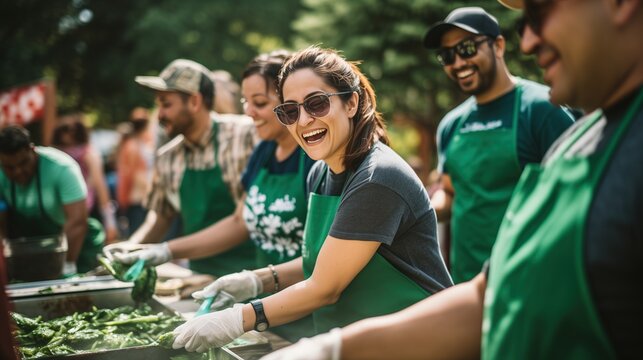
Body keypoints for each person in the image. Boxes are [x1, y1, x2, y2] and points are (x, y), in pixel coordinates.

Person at [262, 0, 643, 359]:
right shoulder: (461, 126)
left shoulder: (543, 110)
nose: (529, 40)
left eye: (541, 11)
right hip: (475, 277)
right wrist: (334, 349)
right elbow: (488, 290)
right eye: (447, 55)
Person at [169, 46, 452, 353]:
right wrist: (255, 280)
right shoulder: (319, 173)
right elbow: (321, 264)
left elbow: (324, 288)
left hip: (413, 345)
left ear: (351, 103)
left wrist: (237, 318)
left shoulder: (377, 178)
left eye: (316, 104)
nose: (303, 120)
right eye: (290, 110)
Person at [105, 50, 317, 341]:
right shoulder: (264, 151)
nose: (249, 113)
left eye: (259, 103)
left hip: (302, 308)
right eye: (246, 102)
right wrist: (152, 250)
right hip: (255, 303)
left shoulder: (303, 154)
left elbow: (321, 262)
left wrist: (254, 279)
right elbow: (239, 220)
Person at [423, 6, 574, 283]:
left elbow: (574, 198)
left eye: (467, 48)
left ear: (499, 45)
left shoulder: (541, 108)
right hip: (466, 282)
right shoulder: (451, 124)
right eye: (447, 56)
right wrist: (416, 211)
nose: (457, 63)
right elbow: (451, 194)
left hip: (531, 279)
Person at [111, 59, 258, 276]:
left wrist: (166, 250)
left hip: (256, 274)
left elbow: (247, 218)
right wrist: (130, 249)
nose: (159, 115)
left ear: (195, 102)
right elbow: (160, 218)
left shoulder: (245, 135)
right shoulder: (167, 158)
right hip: (201, 279)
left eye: (166, 104)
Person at [0, 126, 94, 275]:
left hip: (74, 243)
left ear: (32, 150)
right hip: (23, 250)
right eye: (9, 168)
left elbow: (77, 222)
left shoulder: (62, 168)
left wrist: (66, 266)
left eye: (23, 163)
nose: (18, 171)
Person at [52, 113, 118, 245]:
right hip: (69, 205)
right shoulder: (80, 152)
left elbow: (99, 183)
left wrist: (109, 220)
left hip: (83, 204)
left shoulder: (86, 153)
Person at [115, 107, 155, 236]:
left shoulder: (142, 144)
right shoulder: (133, 146)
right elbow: (133, 175)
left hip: (142, 198)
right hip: (138, 198)